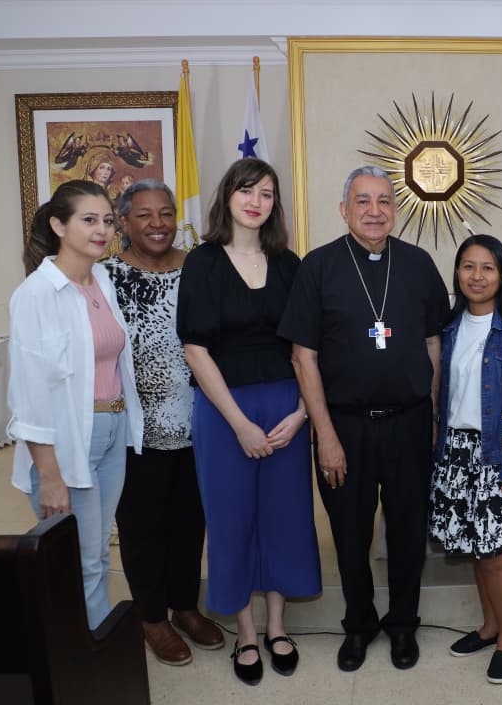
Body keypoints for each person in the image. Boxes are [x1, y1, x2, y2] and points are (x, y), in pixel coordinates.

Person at [282, 166, 449, 673]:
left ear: (395, 209)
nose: (374, 211)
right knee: (350, 534)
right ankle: (358, 625)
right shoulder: (318, 267)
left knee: (408, 531)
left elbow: (433, 344)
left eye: (384, 201)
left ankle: (403, 625)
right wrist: (325, 435)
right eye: (362, 201)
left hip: (409, 422)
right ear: (344, 209)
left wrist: (433, 415)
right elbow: (303, 357)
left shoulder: (418, 264)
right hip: (344, 427)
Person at [177, 158, 320, 685]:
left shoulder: (289, 264)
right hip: (224, 411)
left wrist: (303, 413)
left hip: (286, 407)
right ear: (227, 197)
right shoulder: (202, 263)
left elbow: (309, 346)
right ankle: (245, 632)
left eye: (266, 193)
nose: (256, 201)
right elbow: (195, 349)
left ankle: (277, 626)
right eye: (246, 190)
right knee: (232, 518)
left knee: (285, 516)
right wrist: (239, 423)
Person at [8, 180, 144, 629]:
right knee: (76, 560)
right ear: (58, 226)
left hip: (112, 431)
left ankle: (93, 644)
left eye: (107, 220)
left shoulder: (101, 280)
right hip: (68, 442)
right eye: (88, 220)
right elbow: (29, 397)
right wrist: (49, 476)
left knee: (97, 553)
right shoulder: (37, 294)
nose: (102, 230)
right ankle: (83, 654)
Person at [105, 179, 223, 666]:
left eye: (166, 213)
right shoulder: (105, 277)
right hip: (137, 430)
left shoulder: (199, 268)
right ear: (124, 222)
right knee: (142, 524)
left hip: (200, 422)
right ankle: (152, 616)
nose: (158, 224)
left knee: (190, 520)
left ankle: (185, 607)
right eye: (144, 215)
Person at [429, 235, 502, 685]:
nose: (477, 276)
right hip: (456, 453)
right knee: (475, 548)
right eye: (468, 266)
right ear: (457, 273)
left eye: (487, 268)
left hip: (500, 452)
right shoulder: (449, 324)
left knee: (496, 553)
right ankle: (488, 627)